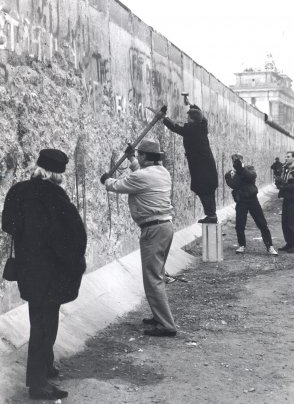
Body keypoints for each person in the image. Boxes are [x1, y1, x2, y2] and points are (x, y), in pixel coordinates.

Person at [2, 149, 87, 401]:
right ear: (57, 174)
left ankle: (46, 366)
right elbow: (71, 236)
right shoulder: (56, 198)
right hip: (51, 272)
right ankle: (38, 384)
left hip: (29, 269)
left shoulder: (18, 191)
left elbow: (8, 224)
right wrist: (73, 261)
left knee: (37, 319)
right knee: (45, 326)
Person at [101, 138, 176, 337]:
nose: (138, 159)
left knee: (152, 278)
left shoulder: (142, 177)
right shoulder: (163, 172)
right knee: (157, 275)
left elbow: (117, 185)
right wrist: (133, 158)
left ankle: (166, 325)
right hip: (164, 227)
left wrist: (106, 180)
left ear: (145, 157)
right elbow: (139, 174)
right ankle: (158, 316)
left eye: (140, 155)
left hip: (153, 230)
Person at [162, 97, 218, 223]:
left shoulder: (192, 130)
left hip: (201, 167)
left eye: (188, 118)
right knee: (208, 191)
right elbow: (202, 117)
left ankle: (211, 215)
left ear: (192, 120)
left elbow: (176, 128)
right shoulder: (202, 126)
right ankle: (212, 215)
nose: (186, 119)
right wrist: (191, 105)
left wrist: (163, 118)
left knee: (203, 190)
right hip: (207, 166)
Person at [225, 153, 278, 255]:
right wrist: (235, 173)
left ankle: (270, 246)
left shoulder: (250, 169)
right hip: (241, 200)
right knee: (240, 224)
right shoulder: (229, 173)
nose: (236, 162)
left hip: (252, 199)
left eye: (238, 160)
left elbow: (251, 177)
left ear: (242, 160)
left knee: (262, 223)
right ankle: (242, 245)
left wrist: (241, 169)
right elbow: (233, 185)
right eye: (234, 160)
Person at [275, 151, 294, 253]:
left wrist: (284, 187)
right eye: (285, 156)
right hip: (287, 198)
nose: (285, 158)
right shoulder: (285, 169)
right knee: (285, 222)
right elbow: (282, 182)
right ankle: (289, 243)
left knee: (293, 222)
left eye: (288, 157)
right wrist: (278, 183)